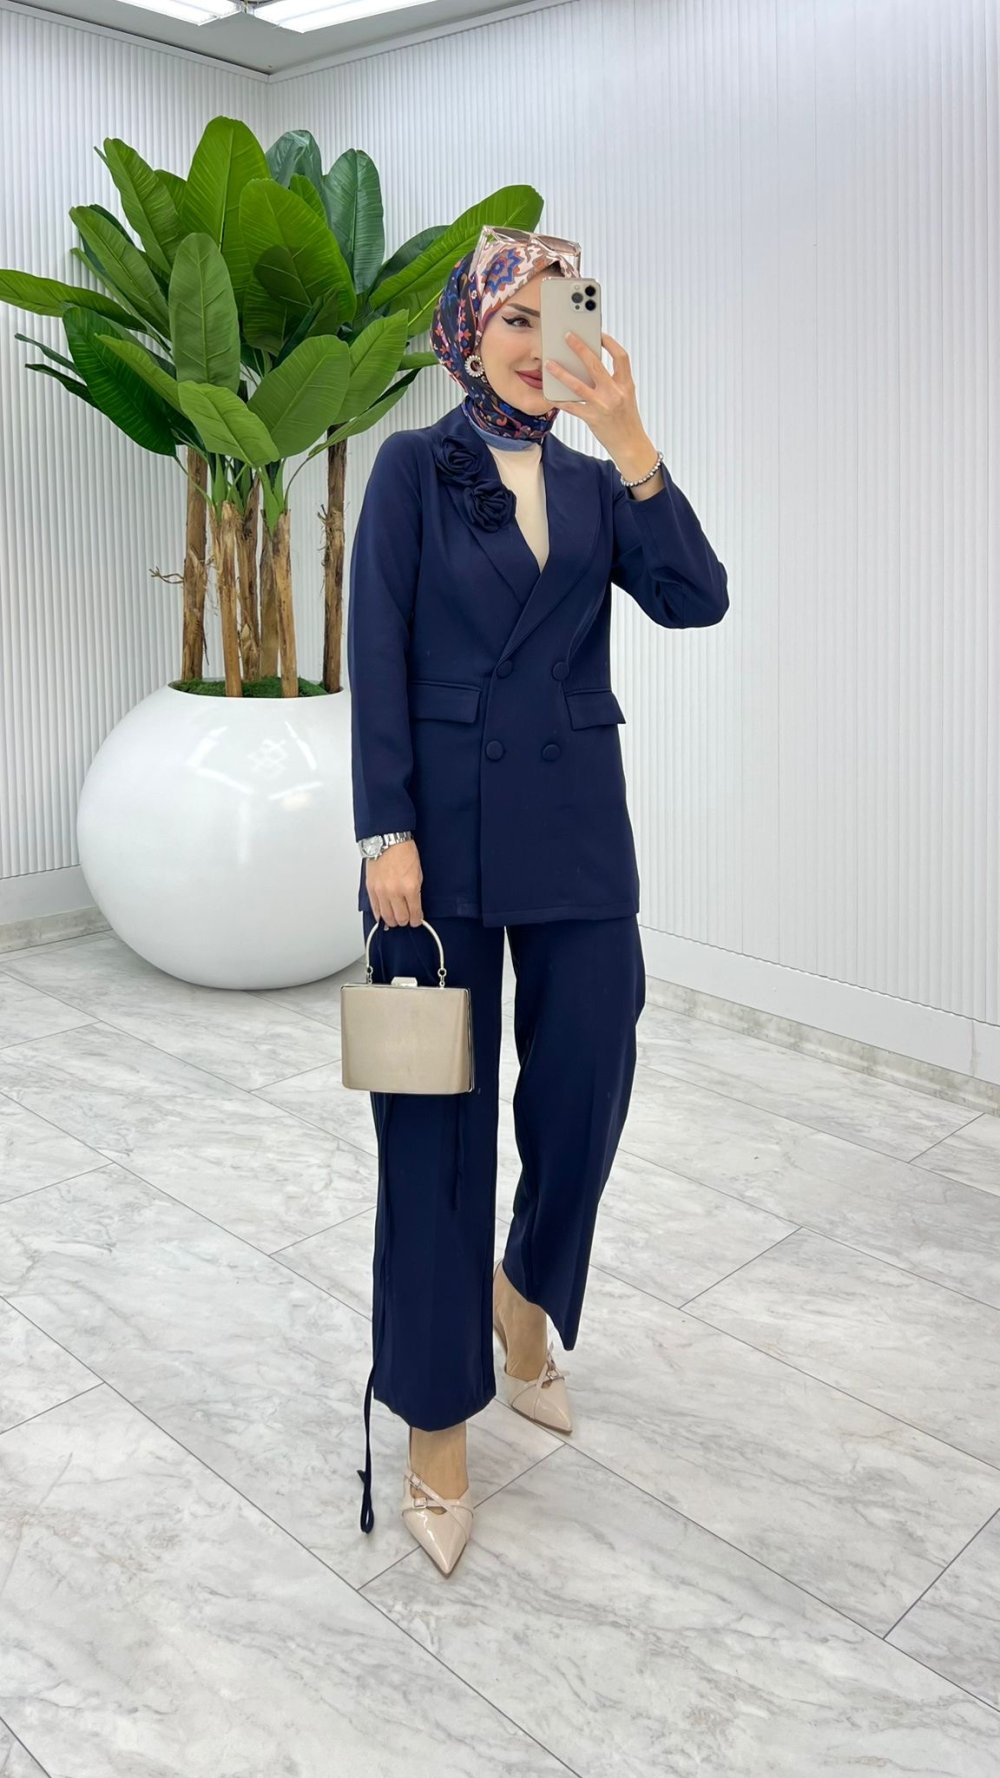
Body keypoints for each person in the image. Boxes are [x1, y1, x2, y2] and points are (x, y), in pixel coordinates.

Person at [347, 223, 729, 1575]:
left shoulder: (595, 479)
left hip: (574, 832)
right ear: (471, 330)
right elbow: (377, 650)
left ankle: (526, 1295)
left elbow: (697, 598)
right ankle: (437, 1422)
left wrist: (631, 437)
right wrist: (384, 826)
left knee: (585, 1087)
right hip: (435, 846)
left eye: (563, 317)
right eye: (517, 316)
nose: (538, 341)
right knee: (433, 1132)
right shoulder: (413, 467)